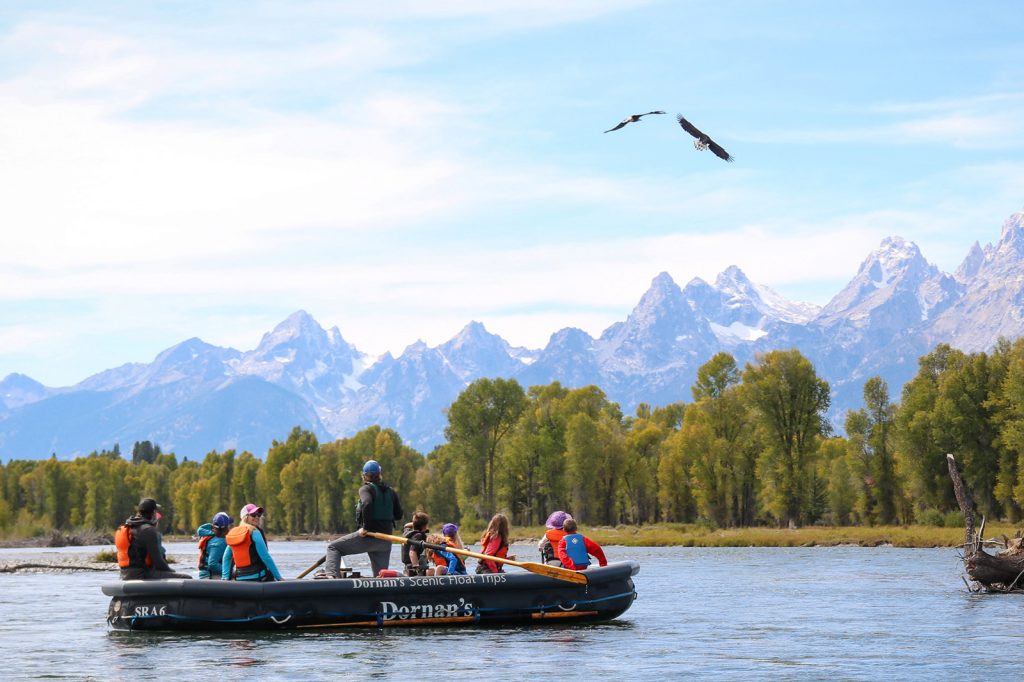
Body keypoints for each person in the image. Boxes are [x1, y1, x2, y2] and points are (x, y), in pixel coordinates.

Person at [324, 460, 404, 578]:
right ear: (379, 474)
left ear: (365, 476)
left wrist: (365, 528)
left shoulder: (365, 489)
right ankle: (379, 594)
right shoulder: (391, 492)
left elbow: (366, 503)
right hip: (385, 541)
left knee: (333, 548)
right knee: (380, 577)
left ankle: (331, 577)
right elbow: (398, 515)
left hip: (369, 536)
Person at [115, 498, 192, 580]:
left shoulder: (127, 527)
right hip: (142, 575)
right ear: (154, 512)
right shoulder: (148, 530)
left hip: (124, 575)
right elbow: (158, 562)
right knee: (186, 578)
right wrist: (171, 572)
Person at [223, 503, 283, 581]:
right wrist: (279, 578)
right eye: (253, 515)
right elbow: (265, 557)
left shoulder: (234, 534)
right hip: (258, 576)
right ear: (246, 517)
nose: (257, 517)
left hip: (239, 577)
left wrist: (225, 578)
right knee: (270, 574)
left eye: (259, 514)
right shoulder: (254, 532)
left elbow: (226, 558)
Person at [195, 511, 232, 579]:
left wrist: (213, 525)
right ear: (227, 526)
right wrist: (230, 571)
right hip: (210, 576)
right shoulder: (220, 541)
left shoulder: (209, 534)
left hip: (204, 574)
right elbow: (212, 564)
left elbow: (200, 529)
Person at [402, 511, 430, 576]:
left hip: (407, 567)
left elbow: (406, 525)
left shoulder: (407, 532)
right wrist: (417, 568)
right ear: (424, 526)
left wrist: (416, 523)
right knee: (431, 571)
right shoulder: (418, 536)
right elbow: (412, 552)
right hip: (414, 568)